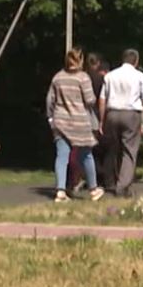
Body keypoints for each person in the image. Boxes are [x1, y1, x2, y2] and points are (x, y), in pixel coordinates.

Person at [46, 47, 104, 203]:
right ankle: (93, 189)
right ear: (81, 60)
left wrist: (51, 119)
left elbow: (50, 100)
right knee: (86, 155)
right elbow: (90, 100)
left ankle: (60, 190)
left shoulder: (57, 77)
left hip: (60, 121)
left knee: (62, 157)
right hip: (79, 122)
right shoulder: (83, 78)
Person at [98, 49, 143, 197]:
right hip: (131, 114)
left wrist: (102, 120)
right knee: (129, 151)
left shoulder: (110, 76)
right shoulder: (140, 76)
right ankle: (122, 186)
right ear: (136, 61)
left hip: (112, 113)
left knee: (114, 149)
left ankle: (111, 179)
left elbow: (102, 99)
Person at [86, 54, 112, 189]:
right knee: (107, 149)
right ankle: (107, 179)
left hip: (87, 116)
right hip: (103, 115)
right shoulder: (103, 80)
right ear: (98, 63)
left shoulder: (85, 78)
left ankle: (95, 177)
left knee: (92, 149)